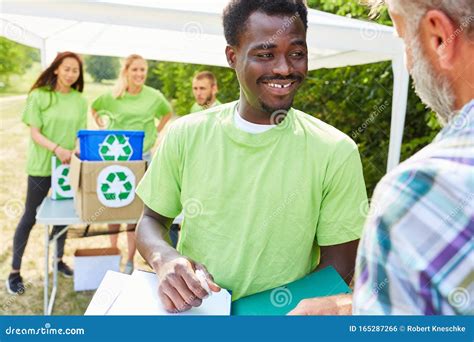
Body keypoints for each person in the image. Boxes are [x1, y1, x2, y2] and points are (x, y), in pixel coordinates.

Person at [135, 0, 368, 313]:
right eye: (265, 54)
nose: (284, 68)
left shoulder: (335, 150)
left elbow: (340, 266)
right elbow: (151, 221)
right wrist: (165, 259)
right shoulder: (186, 134)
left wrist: (246, 315)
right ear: (233, 56)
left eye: (297, 53)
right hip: (196, 315)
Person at [289, 0, 473, 315]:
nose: (407, 62)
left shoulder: (419, 191)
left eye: (403, 39)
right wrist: (352, 307)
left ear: (439, 37)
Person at [6, 52, 87, 294]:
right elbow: (35, 133)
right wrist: (58, 149)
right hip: (42, 167)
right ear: (55, 69)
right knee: (30, 216)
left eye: (75, 70)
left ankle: (58, 260)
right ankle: (14, 272)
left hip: (66, 168)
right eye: (67, 69)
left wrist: (73, 151)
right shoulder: (38, 96)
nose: (71, 74)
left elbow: (80, 134)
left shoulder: (80, 100)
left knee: (63, 215)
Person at [91, 54, 173, 275]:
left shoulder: (153, 96)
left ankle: (129, 260)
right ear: (126, 71)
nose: (139, 74)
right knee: (113, 207)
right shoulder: (113, 96)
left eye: (142, 70)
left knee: (135, 212)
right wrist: (102, 124)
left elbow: (167, 113)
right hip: (116, 159)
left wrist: (155, 132)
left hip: (142, 158)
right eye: (135, 70)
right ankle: (112, 250)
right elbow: (95, 107)